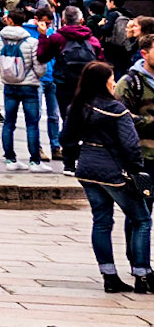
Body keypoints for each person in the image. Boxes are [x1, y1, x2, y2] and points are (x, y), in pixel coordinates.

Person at [63, 59, 150, 293]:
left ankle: (109, 276)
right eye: (111, 79)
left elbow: (66, 139)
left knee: (101, 221)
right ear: (104, 82)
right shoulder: (116, 109)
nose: (114, 83)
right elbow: (130, 145)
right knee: (141, 219)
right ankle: (142, 275)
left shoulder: (77, 106)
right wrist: (136, 169)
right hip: (114, 172)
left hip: (87, 169)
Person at [0, 7, 50, 170]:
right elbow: (40, 68)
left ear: (8, 20)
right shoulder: (31, 41)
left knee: (9, 122)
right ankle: (34, 161)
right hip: (29, 85)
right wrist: (36, 75)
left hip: (9, 85)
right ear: (23, 22)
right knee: (32, 124)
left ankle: (10, 159)